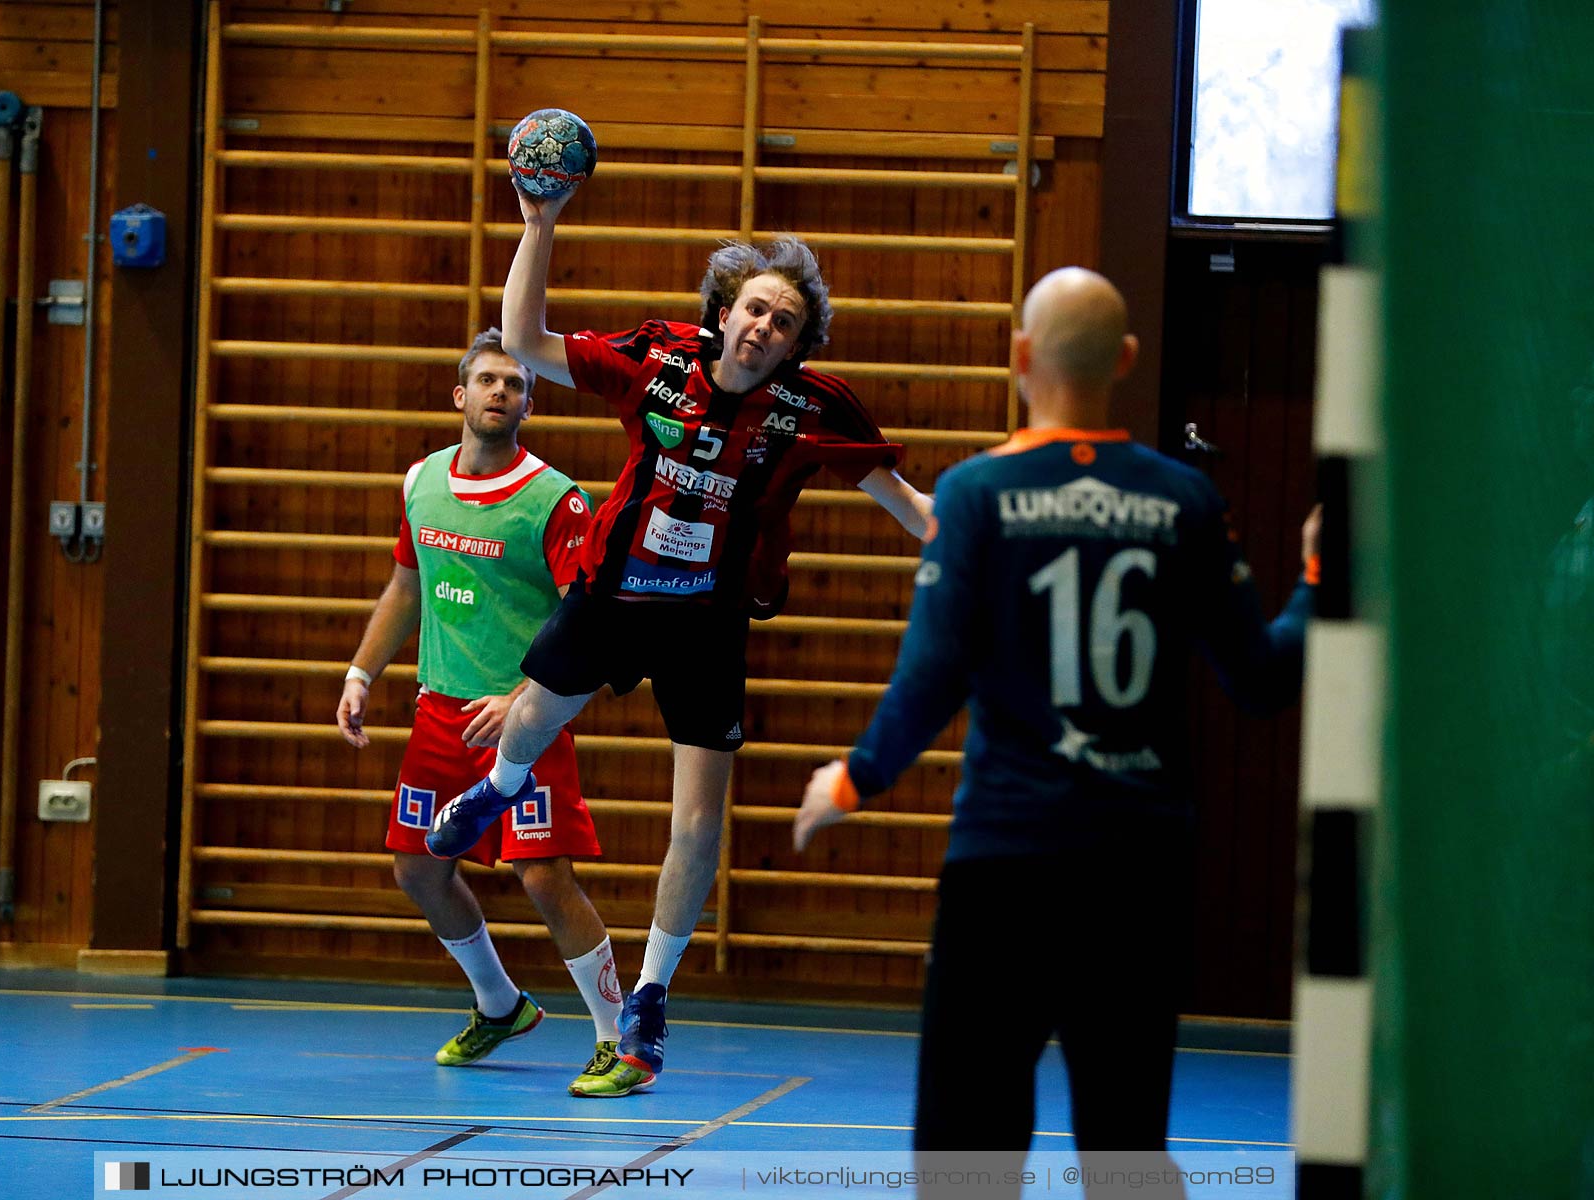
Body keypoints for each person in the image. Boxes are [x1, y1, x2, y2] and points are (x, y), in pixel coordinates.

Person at [792, 267, 1319, 1187]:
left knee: (966, 1146)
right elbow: (1265, 678)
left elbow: (932, 673)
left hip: (1006, 862)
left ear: (1020, 355)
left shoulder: (977, 493)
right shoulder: (1184, 501)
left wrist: (856, 777)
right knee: (1125, 1145)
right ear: (1125, 359)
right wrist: (1318, 578)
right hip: (1141, 869)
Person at [422, 179, 934, 1096]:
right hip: (614, 592)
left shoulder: (816, 408)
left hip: (709, 623)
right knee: (532, 716)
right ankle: (499, 790)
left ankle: (650, 997)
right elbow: (529, 338)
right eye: (755, 309)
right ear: (724, 310)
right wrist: (538, 223)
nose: (765, 328)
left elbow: (910, 506)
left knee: (698, 819)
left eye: (784, 322)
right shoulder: (657, 358)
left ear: (798, 341)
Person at [337, 328, 626, 1098]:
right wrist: (363, 670)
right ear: (461, 396)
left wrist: (525, 697)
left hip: (525, 717)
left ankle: (615, 1038)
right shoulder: (422, 482)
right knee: (417, 866)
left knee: (542, 877)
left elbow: (585, 615)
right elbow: (407, 586)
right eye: (489, 380)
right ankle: (499, 1004)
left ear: (529, 402)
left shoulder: (557, 499)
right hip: (439, 714)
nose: (503, 391)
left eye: (517, 383)